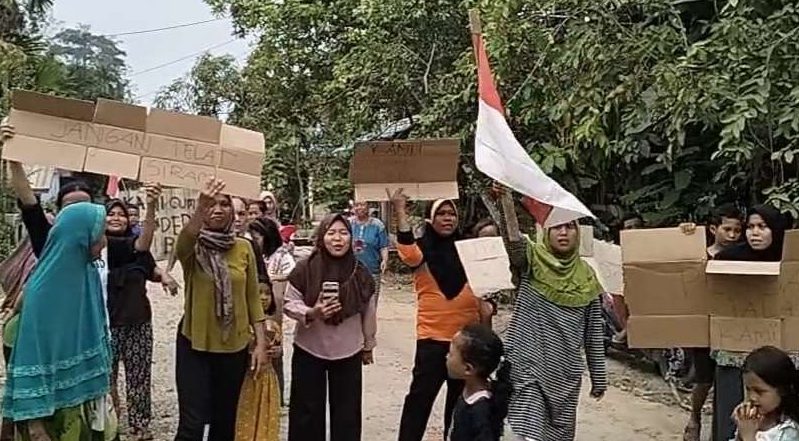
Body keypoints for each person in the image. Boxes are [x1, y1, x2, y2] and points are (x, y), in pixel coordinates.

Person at [493, 184, 606, 441]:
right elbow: (513, 243)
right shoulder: (532, 261)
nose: (563, 233)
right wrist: (505, 201)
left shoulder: (587, 277)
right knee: (526, 433)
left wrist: (598, 377)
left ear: (578, 233)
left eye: (569, 227)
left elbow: (593, 334)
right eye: (556, 227)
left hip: (565, 377)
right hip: (528, 369)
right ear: (546, 231)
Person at [2, 202, 116, 440]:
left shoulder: (86, 275)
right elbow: (30, 358)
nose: (105, 241)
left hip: (86, 402)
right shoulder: (45, 292)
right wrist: (35, 425)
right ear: (79, 238)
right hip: (51, 415)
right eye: (99, 234)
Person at [174, 179, 269, 441]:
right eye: (211, 205)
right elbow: (184, 240)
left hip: (233, 346)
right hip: (195, 343)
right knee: (192, 425)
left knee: (225, 421)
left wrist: (261, 344)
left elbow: (252, 298)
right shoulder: (193, 247)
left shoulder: (244, 247)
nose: (217, 209)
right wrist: (200, 206)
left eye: (224, 204)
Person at [390, 190, 487, 441]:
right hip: (432, 339)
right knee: (419, 401)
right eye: (441, 214)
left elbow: (488, 275)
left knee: (458, 405)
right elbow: (408, 252)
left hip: (466, 341)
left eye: (451, 214)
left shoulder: (468, 249)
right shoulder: (422, 249)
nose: (447, 218)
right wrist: (400, 209)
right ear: (430, 220)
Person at [284, 213, 377, 441]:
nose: (338, 239)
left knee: (347, 414)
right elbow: (289, 302)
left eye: (343, 233)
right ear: (321, 236)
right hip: (309, 348)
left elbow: (369, 310)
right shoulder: (305, 268)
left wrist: (368, 344)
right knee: (306, 412)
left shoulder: (360, 272)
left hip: (349, 350)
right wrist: (311, 312)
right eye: (331, 233)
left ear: (351, 238)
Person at [711, 204, 791, 441]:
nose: (755, 233)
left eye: (762, 227)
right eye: (751, 227)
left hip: (778, 358)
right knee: (731, 417)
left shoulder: (791, 262)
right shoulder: (727, 259)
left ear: (776, 229)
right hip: (733, 355)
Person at [681, 204, 743, 441]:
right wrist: (685, 233)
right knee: (704, 380)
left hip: (731, 327)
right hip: (703, 327)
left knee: (727, 381)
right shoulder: (699, 254)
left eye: (737, 230)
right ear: (713, 229)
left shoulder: (743, 256)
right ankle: (694, 417)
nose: (733, 235)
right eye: (727, 229)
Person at [104, 185, 162, 441]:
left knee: (139, 377)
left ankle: (140, 424)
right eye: (111, 214)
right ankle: (109, 423)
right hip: (105, 324)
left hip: (138, 322)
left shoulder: (136, 248)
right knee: (106, 379)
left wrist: (151, 205)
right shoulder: (95, 248)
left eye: (122, 214)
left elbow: (150, 262)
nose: (116, 218)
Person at [445, 324, 512, 441]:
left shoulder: (480, 411)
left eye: (451, 354)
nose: (446, 357)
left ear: (468, 369)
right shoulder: (468, 393)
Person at [250, 217, 291, 406]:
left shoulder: (280, 256)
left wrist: (274, 279)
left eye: (257, 237)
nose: (253, 240)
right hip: (252, 310)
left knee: (273, 349)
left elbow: (292, 273)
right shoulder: (248, 254)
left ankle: (276, 398)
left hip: (272, 310)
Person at [732, 346, 799, 441]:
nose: (752, 397)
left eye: (759, 391)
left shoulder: (789, 431)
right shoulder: (752, 420)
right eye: (748, 389)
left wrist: (748, 436)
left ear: (782, 390)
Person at [349, 200, 390, 304]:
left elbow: (383, 246)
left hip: (372, 269)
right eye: (356, 205)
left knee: (371, 301)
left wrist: (385, 260)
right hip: (351, 270)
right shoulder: (348, 224)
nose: (359, 208)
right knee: (352, 301)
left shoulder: (378, 225)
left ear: (368, 207)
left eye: (362, 205)